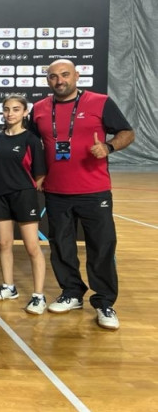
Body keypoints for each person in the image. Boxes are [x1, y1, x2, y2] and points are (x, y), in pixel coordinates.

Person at [30, 59, 134, 330]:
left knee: (101, 246)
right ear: (48, 80)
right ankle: (72, 293)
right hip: (56, 191)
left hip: (94, 191)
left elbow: (127, 132)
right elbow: (30, 144)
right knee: (61, 246)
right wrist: (38, 173)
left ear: (77, 75)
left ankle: (104, 302)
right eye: (53, 77)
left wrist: (109, 147)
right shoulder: (39, 109)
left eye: (65, 75)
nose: (59, 81)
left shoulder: (100, 102)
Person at [0, 94, 47, 315]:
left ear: (25, 112)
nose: (10, 113)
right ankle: (8, 287)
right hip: (1, 196)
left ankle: (38, 295)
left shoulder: (31, 140)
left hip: (24, 197)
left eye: (15, 109)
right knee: (4, 244)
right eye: (6, 109)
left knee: (32, 247)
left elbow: (39, 175)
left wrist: (26, 189)